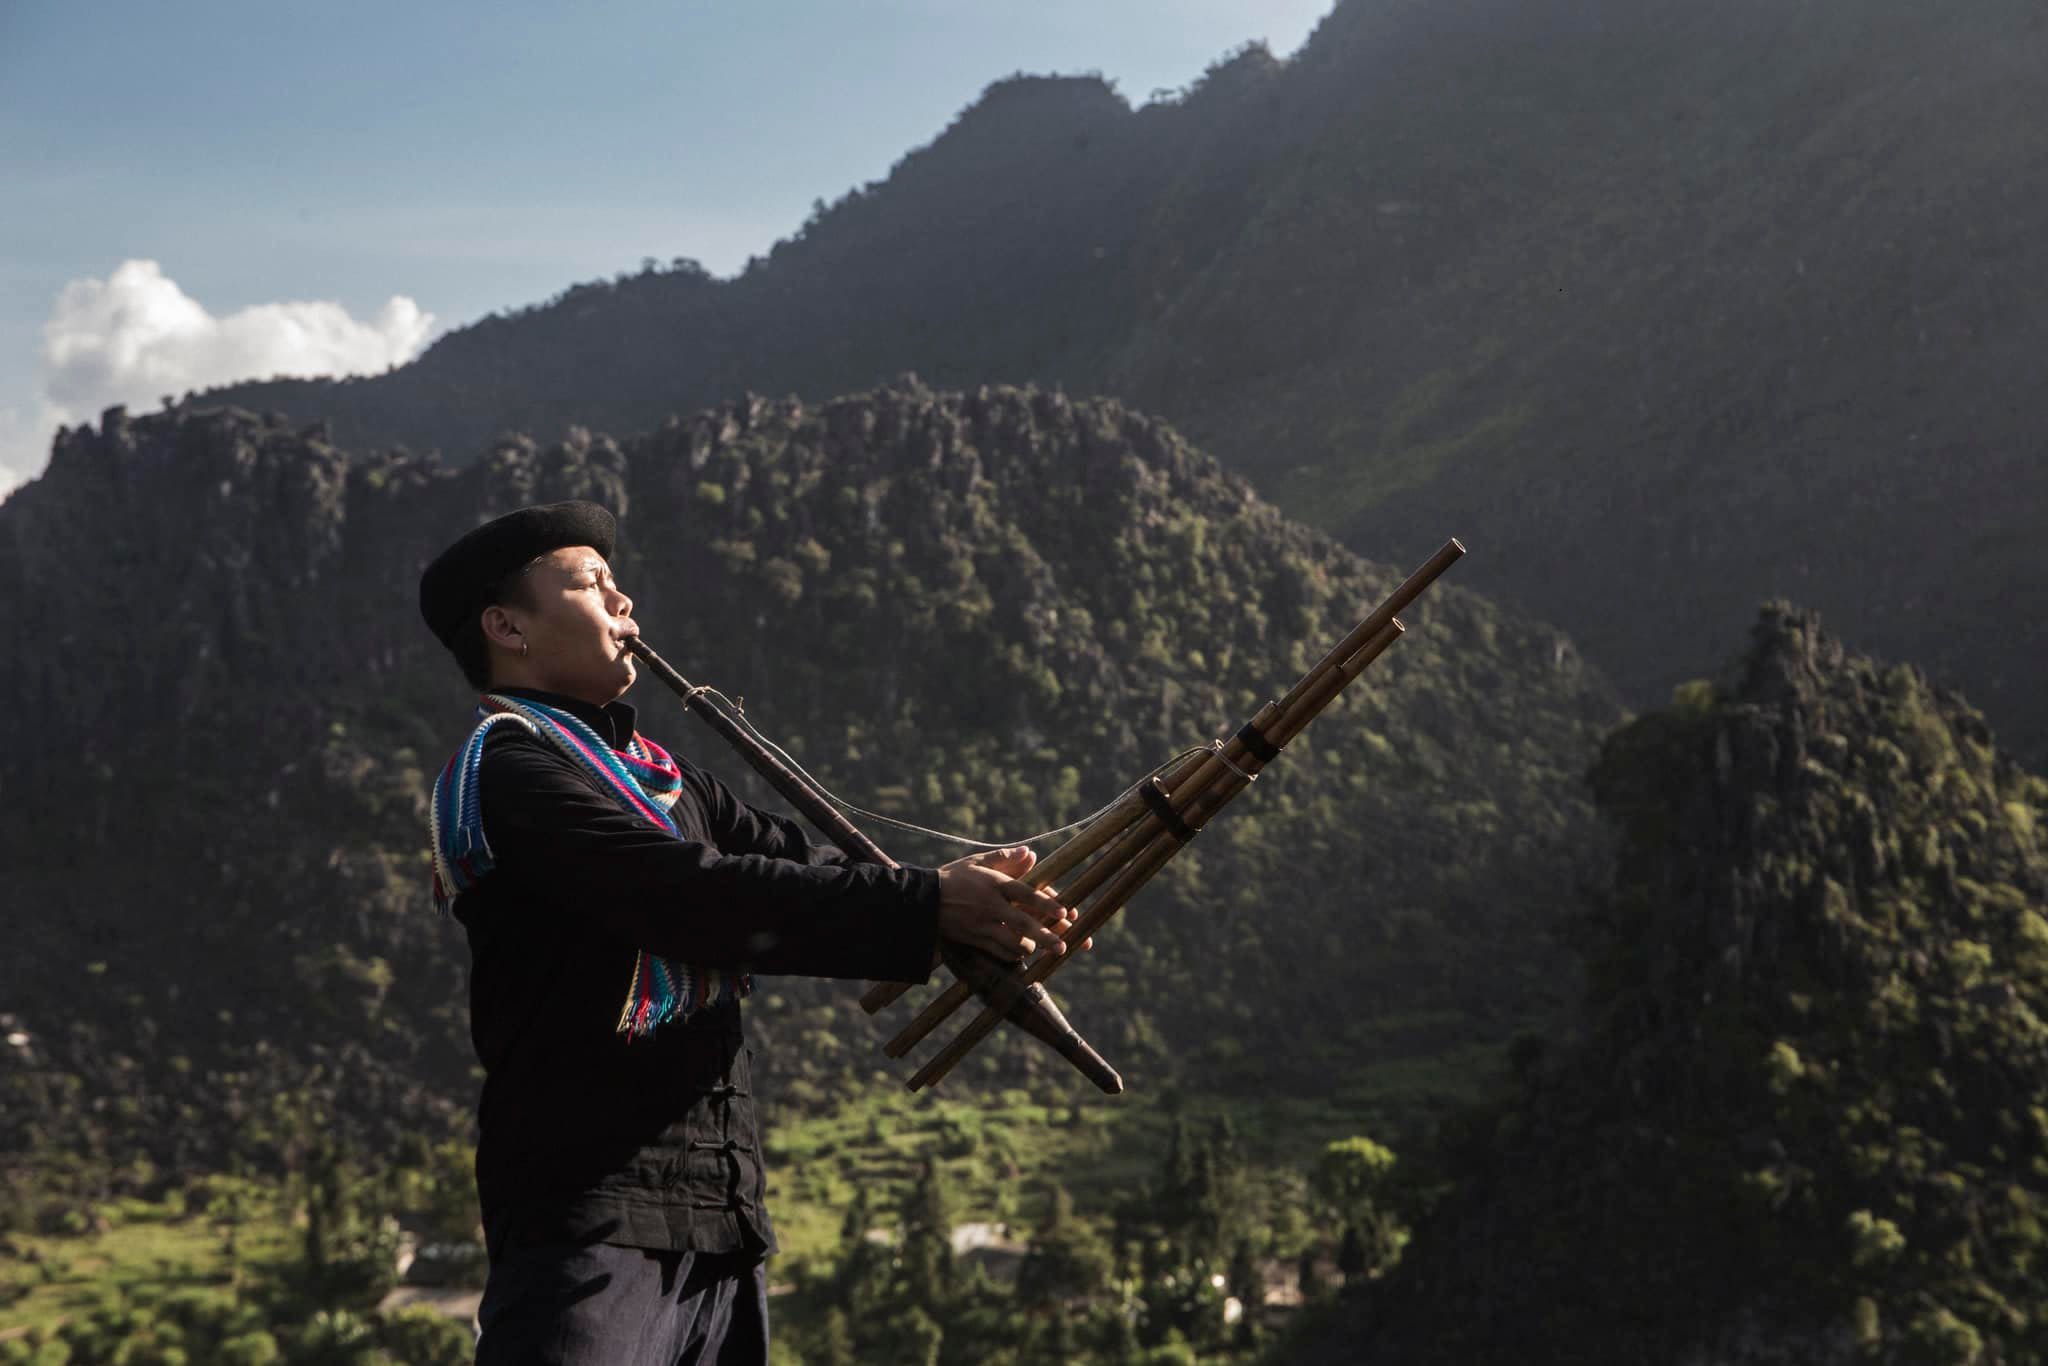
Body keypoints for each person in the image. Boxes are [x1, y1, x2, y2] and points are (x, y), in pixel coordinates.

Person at [417, 500, 1076, 1364]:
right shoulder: (510, 772)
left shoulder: (669, 780)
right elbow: (688, 894)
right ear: (506, 627)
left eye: (618, 584)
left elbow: (801, 865)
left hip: (722, 1220)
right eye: (591, 584)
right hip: (586, 1216)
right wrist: (926, 905)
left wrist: (977, 906)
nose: (623, 603)